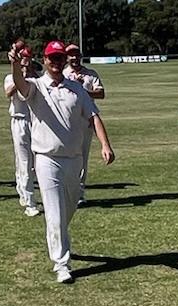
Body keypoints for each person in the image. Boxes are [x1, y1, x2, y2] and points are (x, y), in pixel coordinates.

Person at [8, 40, 115, 283]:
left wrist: (105, 145)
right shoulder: (36, 87)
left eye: (59, 58)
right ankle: (61, 264)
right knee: (55, 214)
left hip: (74, 159)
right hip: (47, 159)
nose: (56, 62)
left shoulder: (76, 89)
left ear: (64, 60)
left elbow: (94, 116)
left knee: (70, 207)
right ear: (44, 61)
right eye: (51, 58)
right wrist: (15, 65)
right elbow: (20, 84)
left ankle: (57, 236)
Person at [63, 44, 106, 207]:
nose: (74, 58)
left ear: (80, 56)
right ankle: (66, 190)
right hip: (67, 121)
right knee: (67, 157)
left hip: (86, 121)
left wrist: (83, 90)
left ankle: (79, 194)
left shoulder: (90, 74)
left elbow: (101, 93)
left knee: (82, 159)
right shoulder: (63, 74)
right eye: (70, 55)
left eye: (76, 55)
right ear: (66, 58)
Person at [3, 47, 41, 217]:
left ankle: (24, 191)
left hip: (35, 121)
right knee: (24, 161)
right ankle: (30, 202)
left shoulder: (37, 78)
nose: (26, 60)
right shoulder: (10, 77)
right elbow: (8, 93)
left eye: (28, 57)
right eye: (23, 57)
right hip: (19, 120)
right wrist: (21, 78)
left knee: (33, 161)